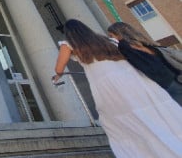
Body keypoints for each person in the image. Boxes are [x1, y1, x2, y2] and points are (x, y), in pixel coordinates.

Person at [53, 19, 182, 157]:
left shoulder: (69, 44)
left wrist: (57, 76)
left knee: (123, 122)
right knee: (154, 113)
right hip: (133, 78)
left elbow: (59, 68)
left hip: (109, 84)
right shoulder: (106, 40)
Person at [107, 21, 182, 106]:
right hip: (175, 77)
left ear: (119, 34)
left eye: (111, 36)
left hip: (164, 83)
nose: (111, 39)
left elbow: (142, 66)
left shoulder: (124, 46)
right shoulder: (143, 42)